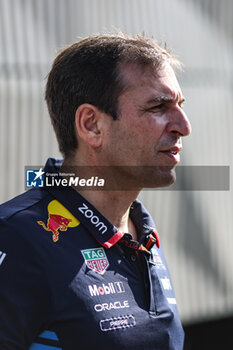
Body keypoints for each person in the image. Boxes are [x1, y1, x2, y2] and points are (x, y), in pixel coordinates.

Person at [0, 33, 191, 350]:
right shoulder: (15, 238)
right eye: (158, 106)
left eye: (180, 106)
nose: (183, 125)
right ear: (91, 125)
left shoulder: (141, 230)